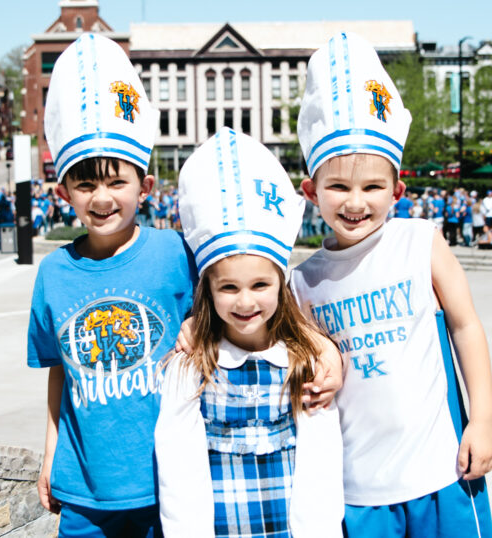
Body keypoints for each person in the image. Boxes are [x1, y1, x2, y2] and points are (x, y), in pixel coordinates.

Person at [294, 33, 492, 537]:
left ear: (397, 190)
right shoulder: (303, 281)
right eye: (338, 186)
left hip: (442, 470)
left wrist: (483, 419)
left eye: (372, 187)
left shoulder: (420, 242)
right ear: (311, 191)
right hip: (359, 488)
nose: (355, 202)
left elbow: (466, 326)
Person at [26, 35, 196, 538]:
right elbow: (58, 374)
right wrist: (49, 456)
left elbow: (228, 318)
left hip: (167, 483)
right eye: (85, 184)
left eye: (116, 182)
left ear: (144, 187)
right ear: (64, 193)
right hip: (84, 492)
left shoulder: (174, 255)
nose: (102, 198)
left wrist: (197, 328)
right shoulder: (54, 274)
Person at [155, 128, 344, 537]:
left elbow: (322, 457)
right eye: (228, 288)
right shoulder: (192, 364)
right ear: (208, 289)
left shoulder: (301, 361)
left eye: (260, 286)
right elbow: (176, 456)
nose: (245, 302)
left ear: (282, 285)